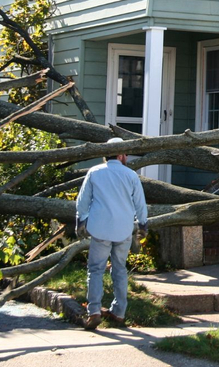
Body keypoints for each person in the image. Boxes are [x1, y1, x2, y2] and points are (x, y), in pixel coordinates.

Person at [75, 137, 148, 330]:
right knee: (119, 270)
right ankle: (119, 312)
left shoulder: (94, 172)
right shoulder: (130, 175)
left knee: (96, 270)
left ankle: (94, 311)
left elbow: (83, 200)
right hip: (123, 229)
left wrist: (80, 220)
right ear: (121, 154)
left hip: (100, 228)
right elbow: (140, 203)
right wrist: (143, 224)